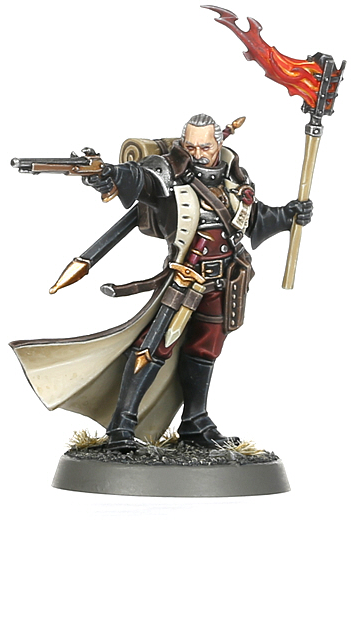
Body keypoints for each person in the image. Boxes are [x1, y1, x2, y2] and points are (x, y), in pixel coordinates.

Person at [80, 113, 312, 452]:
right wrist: (108, 175)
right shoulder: (168, 175)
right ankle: (122, 427)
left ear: (219, 142)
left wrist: (290, 215)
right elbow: (138, 178)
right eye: (190, 146)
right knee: (153, 347)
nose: (198, 153)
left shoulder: (235, 177)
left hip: (226, 279)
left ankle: (195, 421)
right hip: (185, 279)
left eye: (205, 146)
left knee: (206, 349)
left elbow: (254, 219)